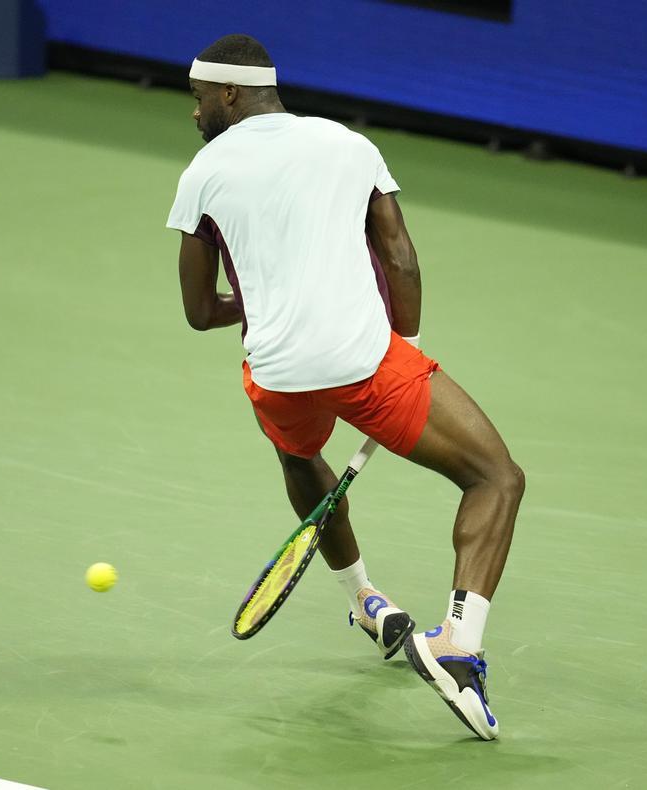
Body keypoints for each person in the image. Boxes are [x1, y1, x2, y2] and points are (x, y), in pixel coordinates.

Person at [166, 34, 524, 741]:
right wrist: (408, 352)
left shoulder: (202, 173)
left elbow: (200, 311)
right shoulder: (349, 145)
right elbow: (399, 256)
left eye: (199, 97)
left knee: (300, 459)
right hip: (367, 366)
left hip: (276, 374)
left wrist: (269, 299)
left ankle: (364, 600)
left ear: (230, 94)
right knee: (496, 478)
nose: (195, 112)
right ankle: (457, 644)